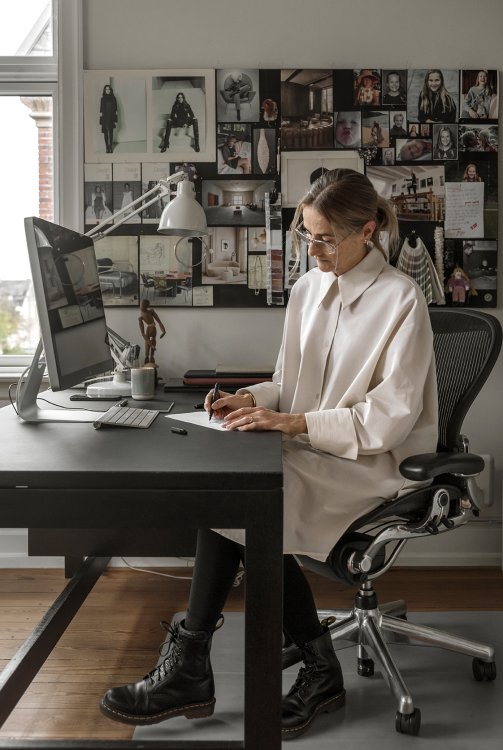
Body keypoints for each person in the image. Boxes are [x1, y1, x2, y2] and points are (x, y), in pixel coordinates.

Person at [100, 168, 438, 740]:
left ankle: (197, 666)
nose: (314, 248)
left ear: (369, 230)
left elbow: (388, 420)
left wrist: (291, 421)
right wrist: (249, 398)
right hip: (308, 448)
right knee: (237, 491)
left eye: (326, 237)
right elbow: (288, 381)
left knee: (246, 501)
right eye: (307, 235)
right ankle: (293, 664)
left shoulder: (402, 301)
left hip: (367, 464)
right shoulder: (307, 290)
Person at [138, 299, 166, 364]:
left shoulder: (151, 311)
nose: (141, 307)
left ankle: (151, 361)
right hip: (149, 331)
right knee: (147, 353)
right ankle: (148, 362)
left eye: (142, 306)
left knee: (151, 354)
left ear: (146, 306)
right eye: (141, 305)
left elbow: (159, 322)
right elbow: (143, 334)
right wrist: (151, 345)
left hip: (152, 330)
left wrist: (163, 331)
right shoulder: (141, 317)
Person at [100, 84, 118, 153]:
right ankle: (107, 147)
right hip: (105, 118)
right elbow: (101, 110)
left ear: (110, 90)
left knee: (111, 133)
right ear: (105, 90)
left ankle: (110, 147)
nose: (107, 90)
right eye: (106, 89)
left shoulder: (113, 98)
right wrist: (101, 120)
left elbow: (116, 110)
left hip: (111, 117)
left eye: (108, 89)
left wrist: (115, 119)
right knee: (105, 133)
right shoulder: (102, 99)